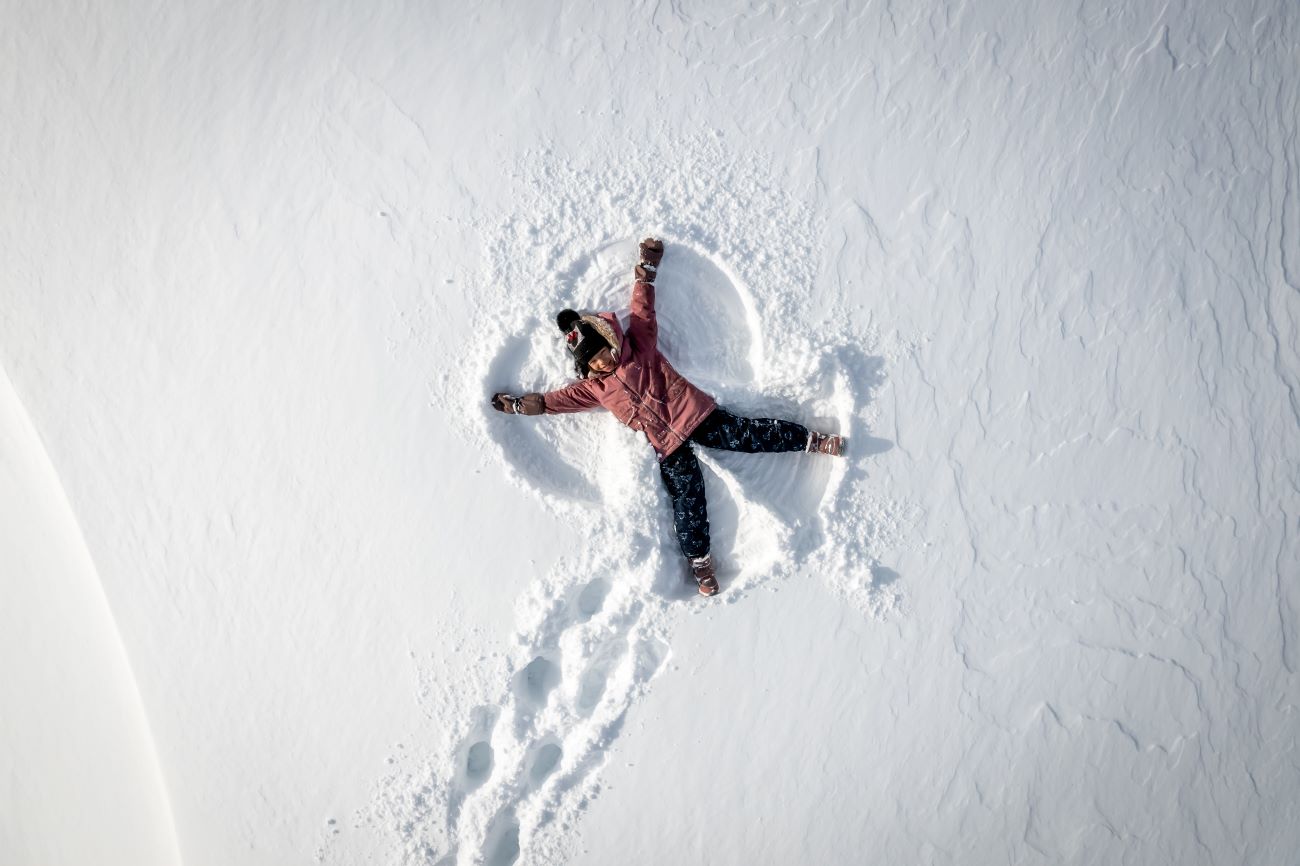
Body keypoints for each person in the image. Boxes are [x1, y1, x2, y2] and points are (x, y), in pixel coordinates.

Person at [491, 238, 844, 596]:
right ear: (585, 366)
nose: (600, 362)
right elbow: (556, 401)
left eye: (601, 352)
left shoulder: (640, 347)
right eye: (591, 360)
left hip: (695, 413)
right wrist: (520, 405)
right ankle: (701, 564)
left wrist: (646, 269)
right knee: (688, 499)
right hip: (666, 447)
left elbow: (643, 312)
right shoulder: (594, 390)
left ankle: (811, 440)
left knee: (749, 435)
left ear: (611, 340)